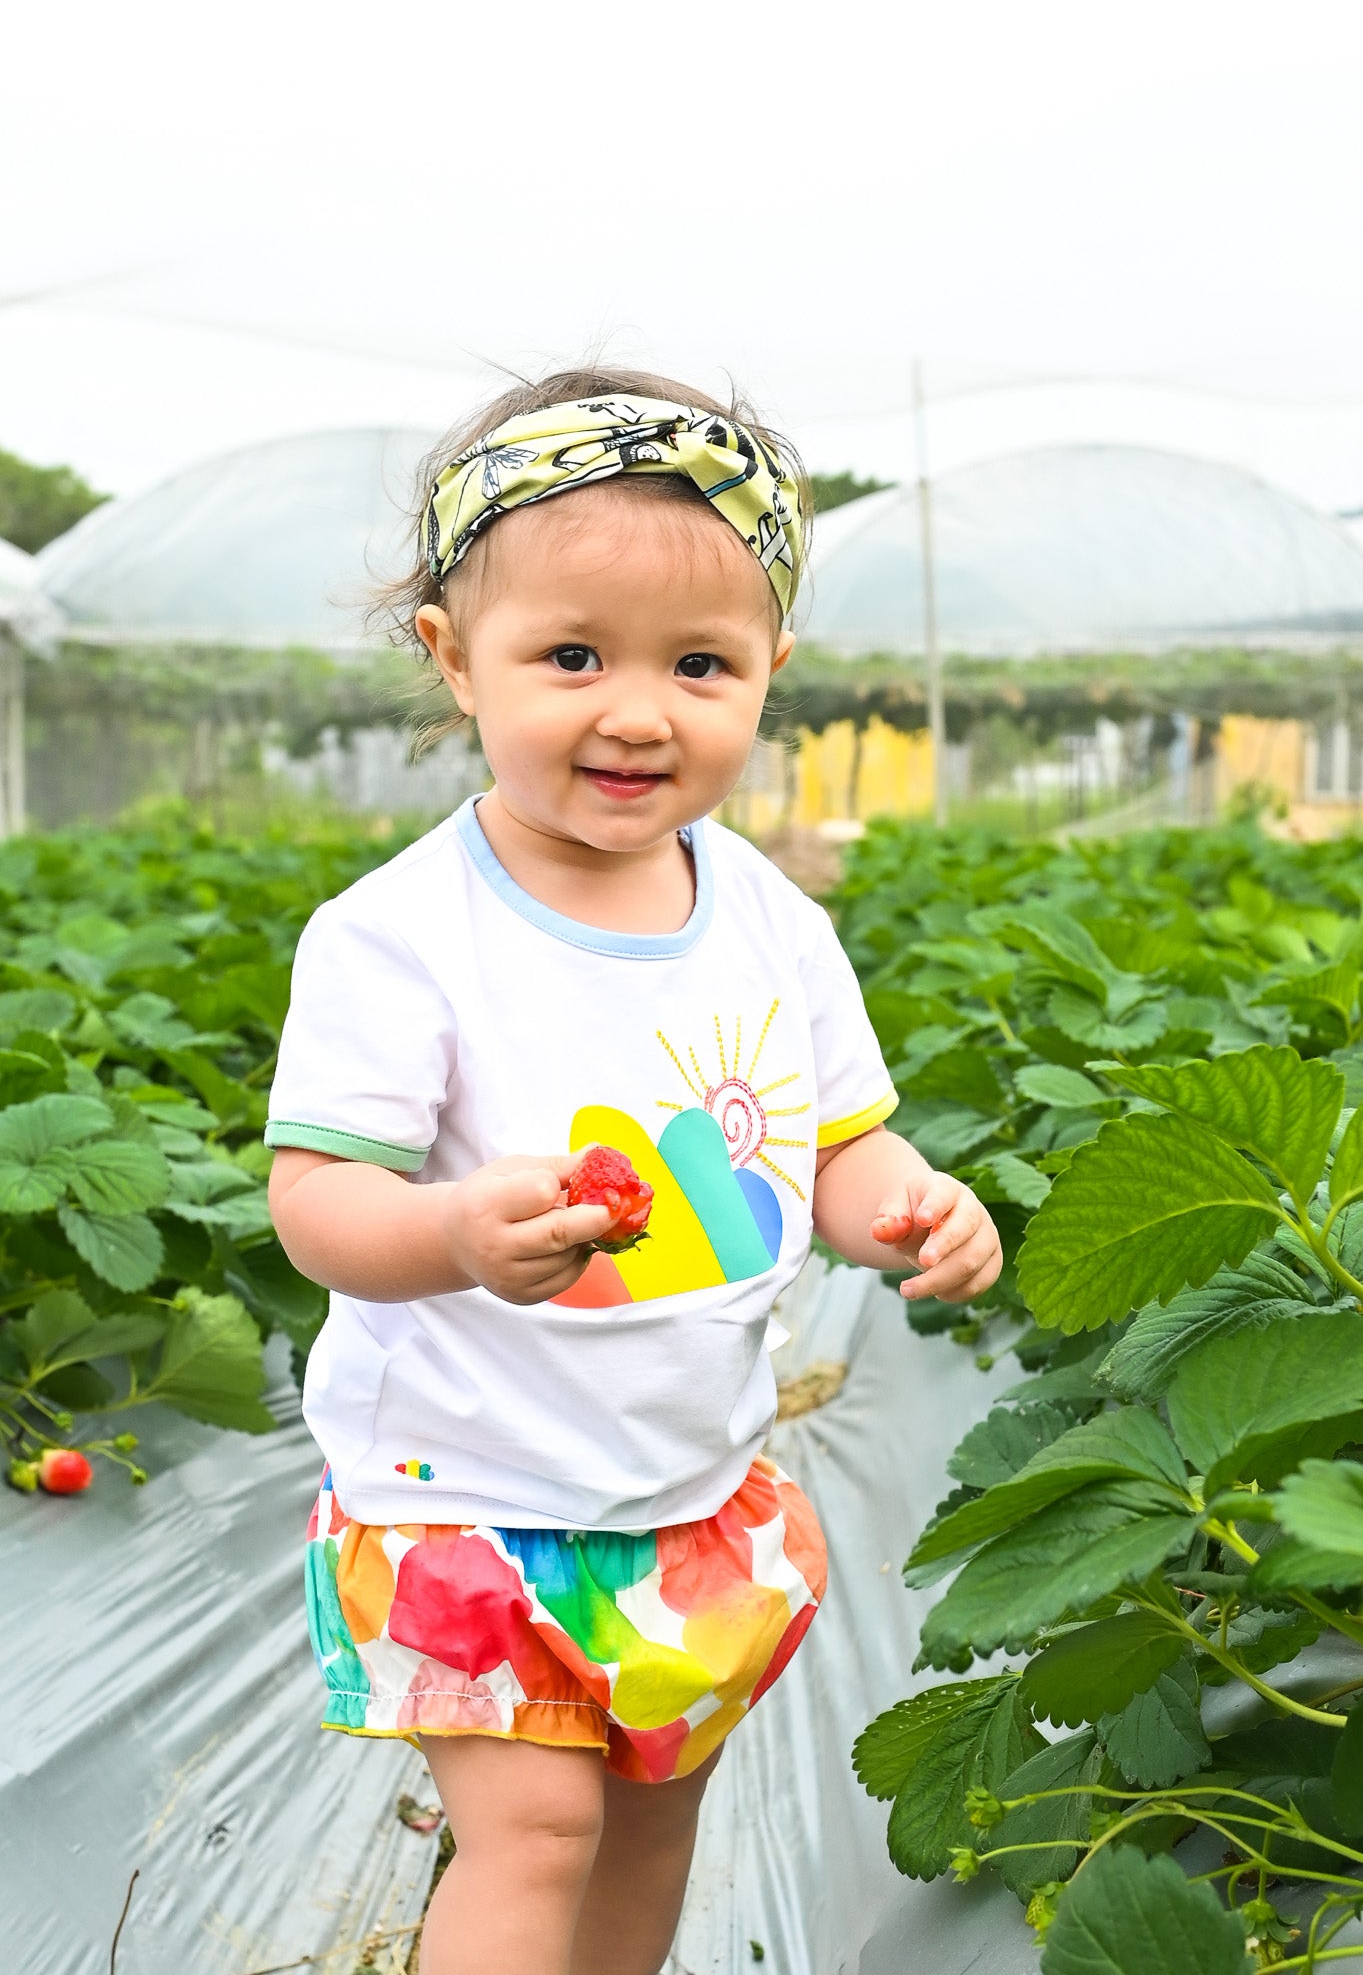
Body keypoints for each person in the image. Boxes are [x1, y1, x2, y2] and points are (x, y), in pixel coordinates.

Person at [266, 367, 1003, 1975]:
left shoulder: (768, 922)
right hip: (466, 1495)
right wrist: (454, 1228)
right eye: (573, 656)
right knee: (537, 1833)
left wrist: (907, 1207)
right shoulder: (399, 937)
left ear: (771, 675)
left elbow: (835, 1143)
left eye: (701, 665)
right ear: (456, 661)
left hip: (686, 1495)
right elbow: (319, 1206)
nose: (639, 709)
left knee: (656, 1817)